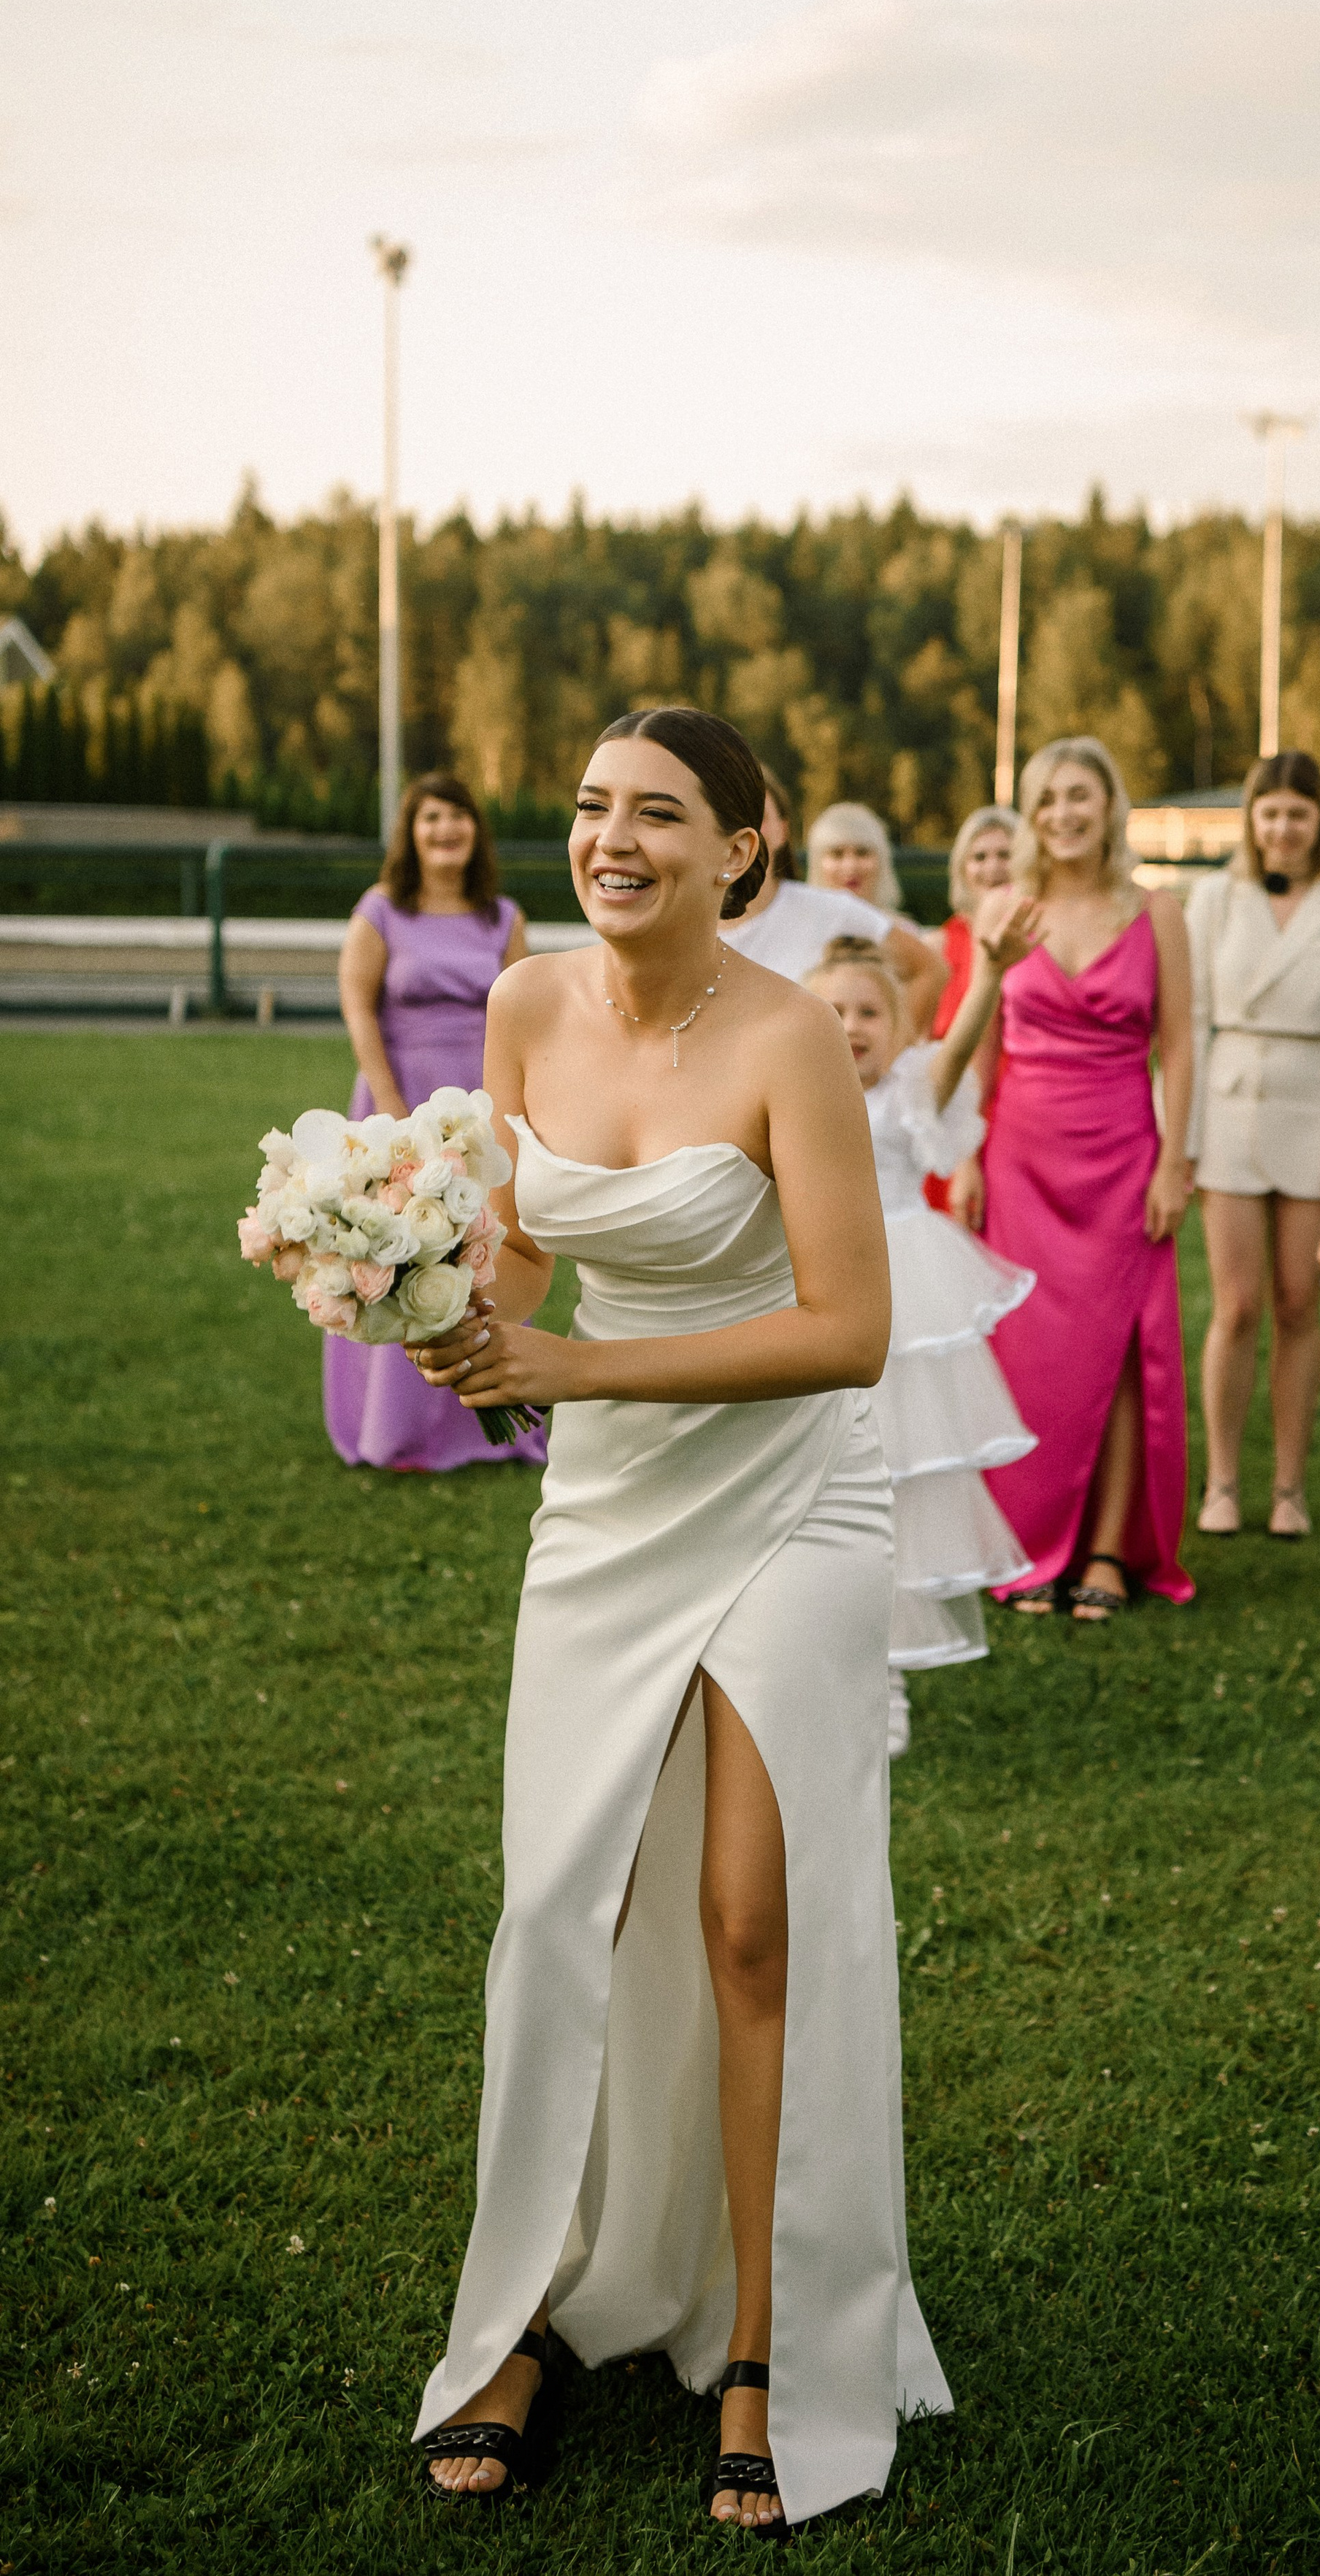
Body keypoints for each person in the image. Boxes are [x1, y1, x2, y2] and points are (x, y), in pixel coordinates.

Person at [404, 707, 949, 2534]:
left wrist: (573, 1356)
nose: (610, 836)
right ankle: (523, 2313)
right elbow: (521, 1253)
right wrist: (426, 1291)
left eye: (658, 811)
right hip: (608, 1500)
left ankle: (767, 2340)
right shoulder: (524, 1004)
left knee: (743, 1917)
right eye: (589, 807)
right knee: (560, 1898)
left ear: (744, 845)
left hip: (791, 1492)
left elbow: (847, 1328)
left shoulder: (793, 1033)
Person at [952, 734, 1196, 1621]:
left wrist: (1176, 1160)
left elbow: (1180, 1045)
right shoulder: (1003, 909)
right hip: (1020, 1152)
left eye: (1080, 796)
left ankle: (1105, 1548)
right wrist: (969, 1153)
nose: (1063, 814)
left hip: (1125, 1152)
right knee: (1029, 1354)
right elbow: (982, 1042)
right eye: (1047, 798)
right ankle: (1027, 1544)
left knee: (1126, 1351)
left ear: (1110, 808)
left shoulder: (1157, 910)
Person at [805, 896, 1040, 1756]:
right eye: (832, 1010)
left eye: (870, 1011)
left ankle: (889, 1671)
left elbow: (960, 1047)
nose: (852, 1025)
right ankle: (817, 1655)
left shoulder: (912, 1090)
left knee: (893, 1480)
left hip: (901, 1290)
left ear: (900, 1027)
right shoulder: (790, 1089)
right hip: (814, 1284)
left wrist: (989, 972)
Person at [325, 772, 542, 1474]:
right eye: (431, 818)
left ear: (476, 831)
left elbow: (524, 1013)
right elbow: (359, 1007)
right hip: (398, 1097)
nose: (446, 830)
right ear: (410, 833)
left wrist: (514, 1108)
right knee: (399, 1252)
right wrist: (389, 1109)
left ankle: (497, 1413)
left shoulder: (502, 917)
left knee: (484, 1250)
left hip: (479, 1109)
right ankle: (400, 1430)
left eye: (458, 818)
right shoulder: (382, 911)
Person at [1186, 751, 1320, 1541]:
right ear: (1251, 821)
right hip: (1229, 1109)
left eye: (1299, 813)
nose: (1283, 828)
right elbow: (1188, 1024)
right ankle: (1223, 1481)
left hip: (1313, 1108)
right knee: (1237, 1305)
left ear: (1319, 821)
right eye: (1270, 813)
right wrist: (1185, 1138)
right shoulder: (1212, 899)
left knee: (1300, 1304)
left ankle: (1290, 1486)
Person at [728, 764, 944, 1025]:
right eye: (735, 815)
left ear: (783, 831)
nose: (748, 829)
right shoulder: (685, 919)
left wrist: (888, 1052)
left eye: (759, 816)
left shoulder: (832, 910)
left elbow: (930, 970)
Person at [926, 803, 1018, 1210]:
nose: (992, 867)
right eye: (979, 857)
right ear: (961, 867)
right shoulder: (937, 948)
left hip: (1017, 1113)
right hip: (955, 1116)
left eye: (1005, 854)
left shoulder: (1032, 941)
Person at [806, 799, 945, 1035]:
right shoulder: (801, 928)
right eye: (837, 854)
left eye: (862, 853)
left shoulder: (905, 935)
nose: (851, 866)